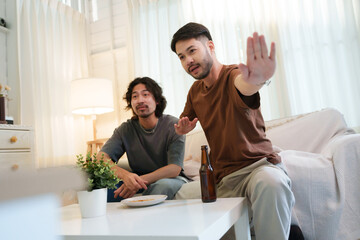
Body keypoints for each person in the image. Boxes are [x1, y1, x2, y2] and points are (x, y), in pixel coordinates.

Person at [170, 22, 299, 240]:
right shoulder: (195, 92)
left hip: (257, 168)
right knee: (177, 195)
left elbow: (245, 86)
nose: (188, 60)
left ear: (210, 46)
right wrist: (183, 129)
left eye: (192, 51)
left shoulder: (233, 75)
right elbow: (185, 122)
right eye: (181, 56)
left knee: (272, 183)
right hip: (223, 178)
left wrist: (257, 80)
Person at [98, 77, 187, 202]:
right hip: (138, 180)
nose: (140, 100)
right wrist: (126, 176)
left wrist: (137, 181)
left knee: (162, 186)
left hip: (171, 179)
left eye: (145, 95)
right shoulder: (125, 129)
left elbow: (174, 168)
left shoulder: (174, 125)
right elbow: (101, 159)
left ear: (156, 100)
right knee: (104, 189)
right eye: (135, 97)